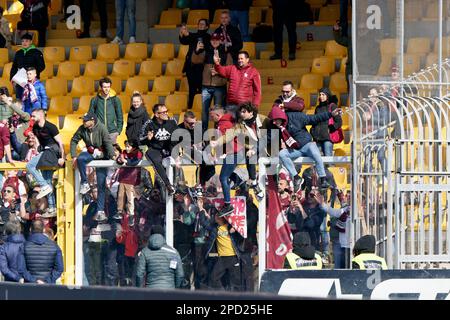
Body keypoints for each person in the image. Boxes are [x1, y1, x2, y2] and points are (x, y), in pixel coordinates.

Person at [269, 105, 342, 190]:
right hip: (295, 149)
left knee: (315, 152)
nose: (274, 122)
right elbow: (268, 138)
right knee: (282, 154)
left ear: (280, 117)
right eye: (273, 120)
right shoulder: (276, 127)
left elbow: (314, 118)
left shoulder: (295, 116)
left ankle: (323, 179)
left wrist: (330, 114)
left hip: (307, 145)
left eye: (275, 120)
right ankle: (296, 178)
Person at [70, 112, 115, 222]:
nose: (83, 122)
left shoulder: (102, 128)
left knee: (101, 183)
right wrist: (73, 155)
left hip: (103, 154)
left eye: (85, 120)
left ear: (92, 121)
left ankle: (100, 211)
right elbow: (74, 140)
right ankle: (84, 183)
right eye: (83, 120)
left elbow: (108, 143)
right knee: (81, 159)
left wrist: (111, 155)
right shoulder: (82, 128)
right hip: (90, 152)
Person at [215, 102, 264, 199]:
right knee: (248, 153)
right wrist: (217, 142)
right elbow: (230, 134)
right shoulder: (241, 125)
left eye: (244, 111)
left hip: (267, 147)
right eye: (240, 112)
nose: (241, 114)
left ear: (251, 113)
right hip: (252, 150)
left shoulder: (262, 119)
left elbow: (268, 137)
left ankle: (253, 183)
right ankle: (253, 183)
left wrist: (254, 149)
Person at [192, 32, 231, 133]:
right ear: (210, 41)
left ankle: (218, 132)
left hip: (219, 86)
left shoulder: (226, 53)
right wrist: (196, 50)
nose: (214, 41)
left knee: (218, 112)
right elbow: (195, 60)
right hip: (206, 86)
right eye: (213, 40)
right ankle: (204, 133)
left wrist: (218, 72)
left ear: (220, 40)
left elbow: (230, 71)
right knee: (204, 111)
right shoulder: (206, 51)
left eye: (217, 40)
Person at [209, 105, 241, 216]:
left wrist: (224, 153)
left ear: (218, 115)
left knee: (223, 177)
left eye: (212, 116)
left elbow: (229, 139)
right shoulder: (226, 122)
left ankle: (228, 205)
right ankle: (239, 181)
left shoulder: (224, 124)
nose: (211, 118)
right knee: (227, 174)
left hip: (233, 154)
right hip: (234, 153)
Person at [139, 104, 178, 195]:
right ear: (156, 114)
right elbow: (140, 139)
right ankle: (168, 185)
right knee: (155, 158)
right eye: (163, 112)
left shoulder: (172, 122)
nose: (166, 114)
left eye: (166, 111)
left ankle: (176, 186)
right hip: (155, 149)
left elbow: (179, 136)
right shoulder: (149, 123)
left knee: (175, 159)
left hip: (168, 148)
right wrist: (147, 138)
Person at [202, 212, 244, 291]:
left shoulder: (230, 226)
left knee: (235, 282)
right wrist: (201, 209)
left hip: (233, 257)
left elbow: (242, 234)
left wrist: (236, 230)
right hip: (222, 258)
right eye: (216, 215)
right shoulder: (215, 228)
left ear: (223, 217)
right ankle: (222, 294)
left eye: (218, 215)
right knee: (213, 277)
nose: (216, 216)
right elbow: (204, 223)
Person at [213, 51, 261, 115]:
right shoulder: (233, 68)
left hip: (245, 107)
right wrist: (217, 64)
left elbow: (257, 91)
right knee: (229, 124)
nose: (239, 60)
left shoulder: (254, 72)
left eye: (241, 59)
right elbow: (221, 70)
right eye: (238, 59)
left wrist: (255, 106)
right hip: (231, 105)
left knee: (242, 124)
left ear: (247, 59)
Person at [179, 19, 211, 109]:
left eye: (203, 24)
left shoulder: (207, 37)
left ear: (207, 27)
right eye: (199, 23)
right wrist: (182, 33)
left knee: (201, 89)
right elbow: (184, 41)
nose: (200, 25)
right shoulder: (194, 35)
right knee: (192, 89)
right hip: (190, 66)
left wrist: (188, 34)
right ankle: (190, 108)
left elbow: (197, 37)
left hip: (201, 67)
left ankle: (200, 108)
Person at [24, 220, 64, 284]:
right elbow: (59, 269)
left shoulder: (23, 246)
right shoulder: (55, 246)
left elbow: (21, 269)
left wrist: (34, 280)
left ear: (30, 229)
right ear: (43, 230)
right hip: (48, 286)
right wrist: (47, 281)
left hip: (29, 285)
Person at [115, 140, 142, 226]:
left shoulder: (138, 153)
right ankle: (119, 211)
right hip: (123, 177)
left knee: (130, 198)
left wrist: (126, 161)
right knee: (120, 195)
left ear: (133, 147)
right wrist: (120, 159)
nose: (126, 148)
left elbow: (134, 162)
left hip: (131, 178)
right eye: (126, 146)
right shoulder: (124, 152)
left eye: (128, 146)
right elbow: (119, 161)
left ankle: (131, 215)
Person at [88, 77, 123, 143]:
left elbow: (120, 116)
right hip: (98, 132)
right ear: (101, 87)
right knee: (99, 153)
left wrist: (118, 131)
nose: (107, 89)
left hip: (112, 132)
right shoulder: (95, 100)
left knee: (111, 152)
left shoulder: (115, 100)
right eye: (104, 87)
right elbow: (90, 116)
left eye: (108, 87)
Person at [10, 33, 45, 100]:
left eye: (26, 41)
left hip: (32, 81)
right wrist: (12, 78)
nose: (24, 43)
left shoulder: (37, 52)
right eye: (23, 41)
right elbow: (14, 66)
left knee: (30, 101)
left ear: (31, 42)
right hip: (20, 80)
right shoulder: (18, 53)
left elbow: (42, 66)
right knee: (19, 100)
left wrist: (31, 74)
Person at [311, 87, 342, 157]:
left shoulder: (332, 106)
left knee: (328, 158)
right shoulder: (317, 108)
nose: (321, 96)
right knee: (318, 159)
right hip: (317, 138)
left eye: (323, 95)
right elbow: (314, 121)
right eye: (320, 94)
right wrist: (313, 131)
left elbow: (339, 122)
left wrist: (330, 129)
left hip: (328, 138)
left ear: (327, 95)